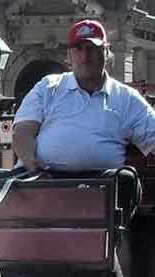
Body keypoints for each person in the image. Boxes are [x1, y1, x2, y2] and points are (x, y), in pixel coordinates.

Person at [13, 19, 155, 173]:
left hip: (103, 186)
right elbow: (23, 131)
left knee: (127, 178)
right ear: (69, 56)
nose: (85, 56)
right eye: (78, 49)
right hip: (43, 180)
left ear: (106, 53)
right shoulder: (47, 87)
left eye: (92, 48)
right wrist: (31, 162)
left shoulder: (126, 98)